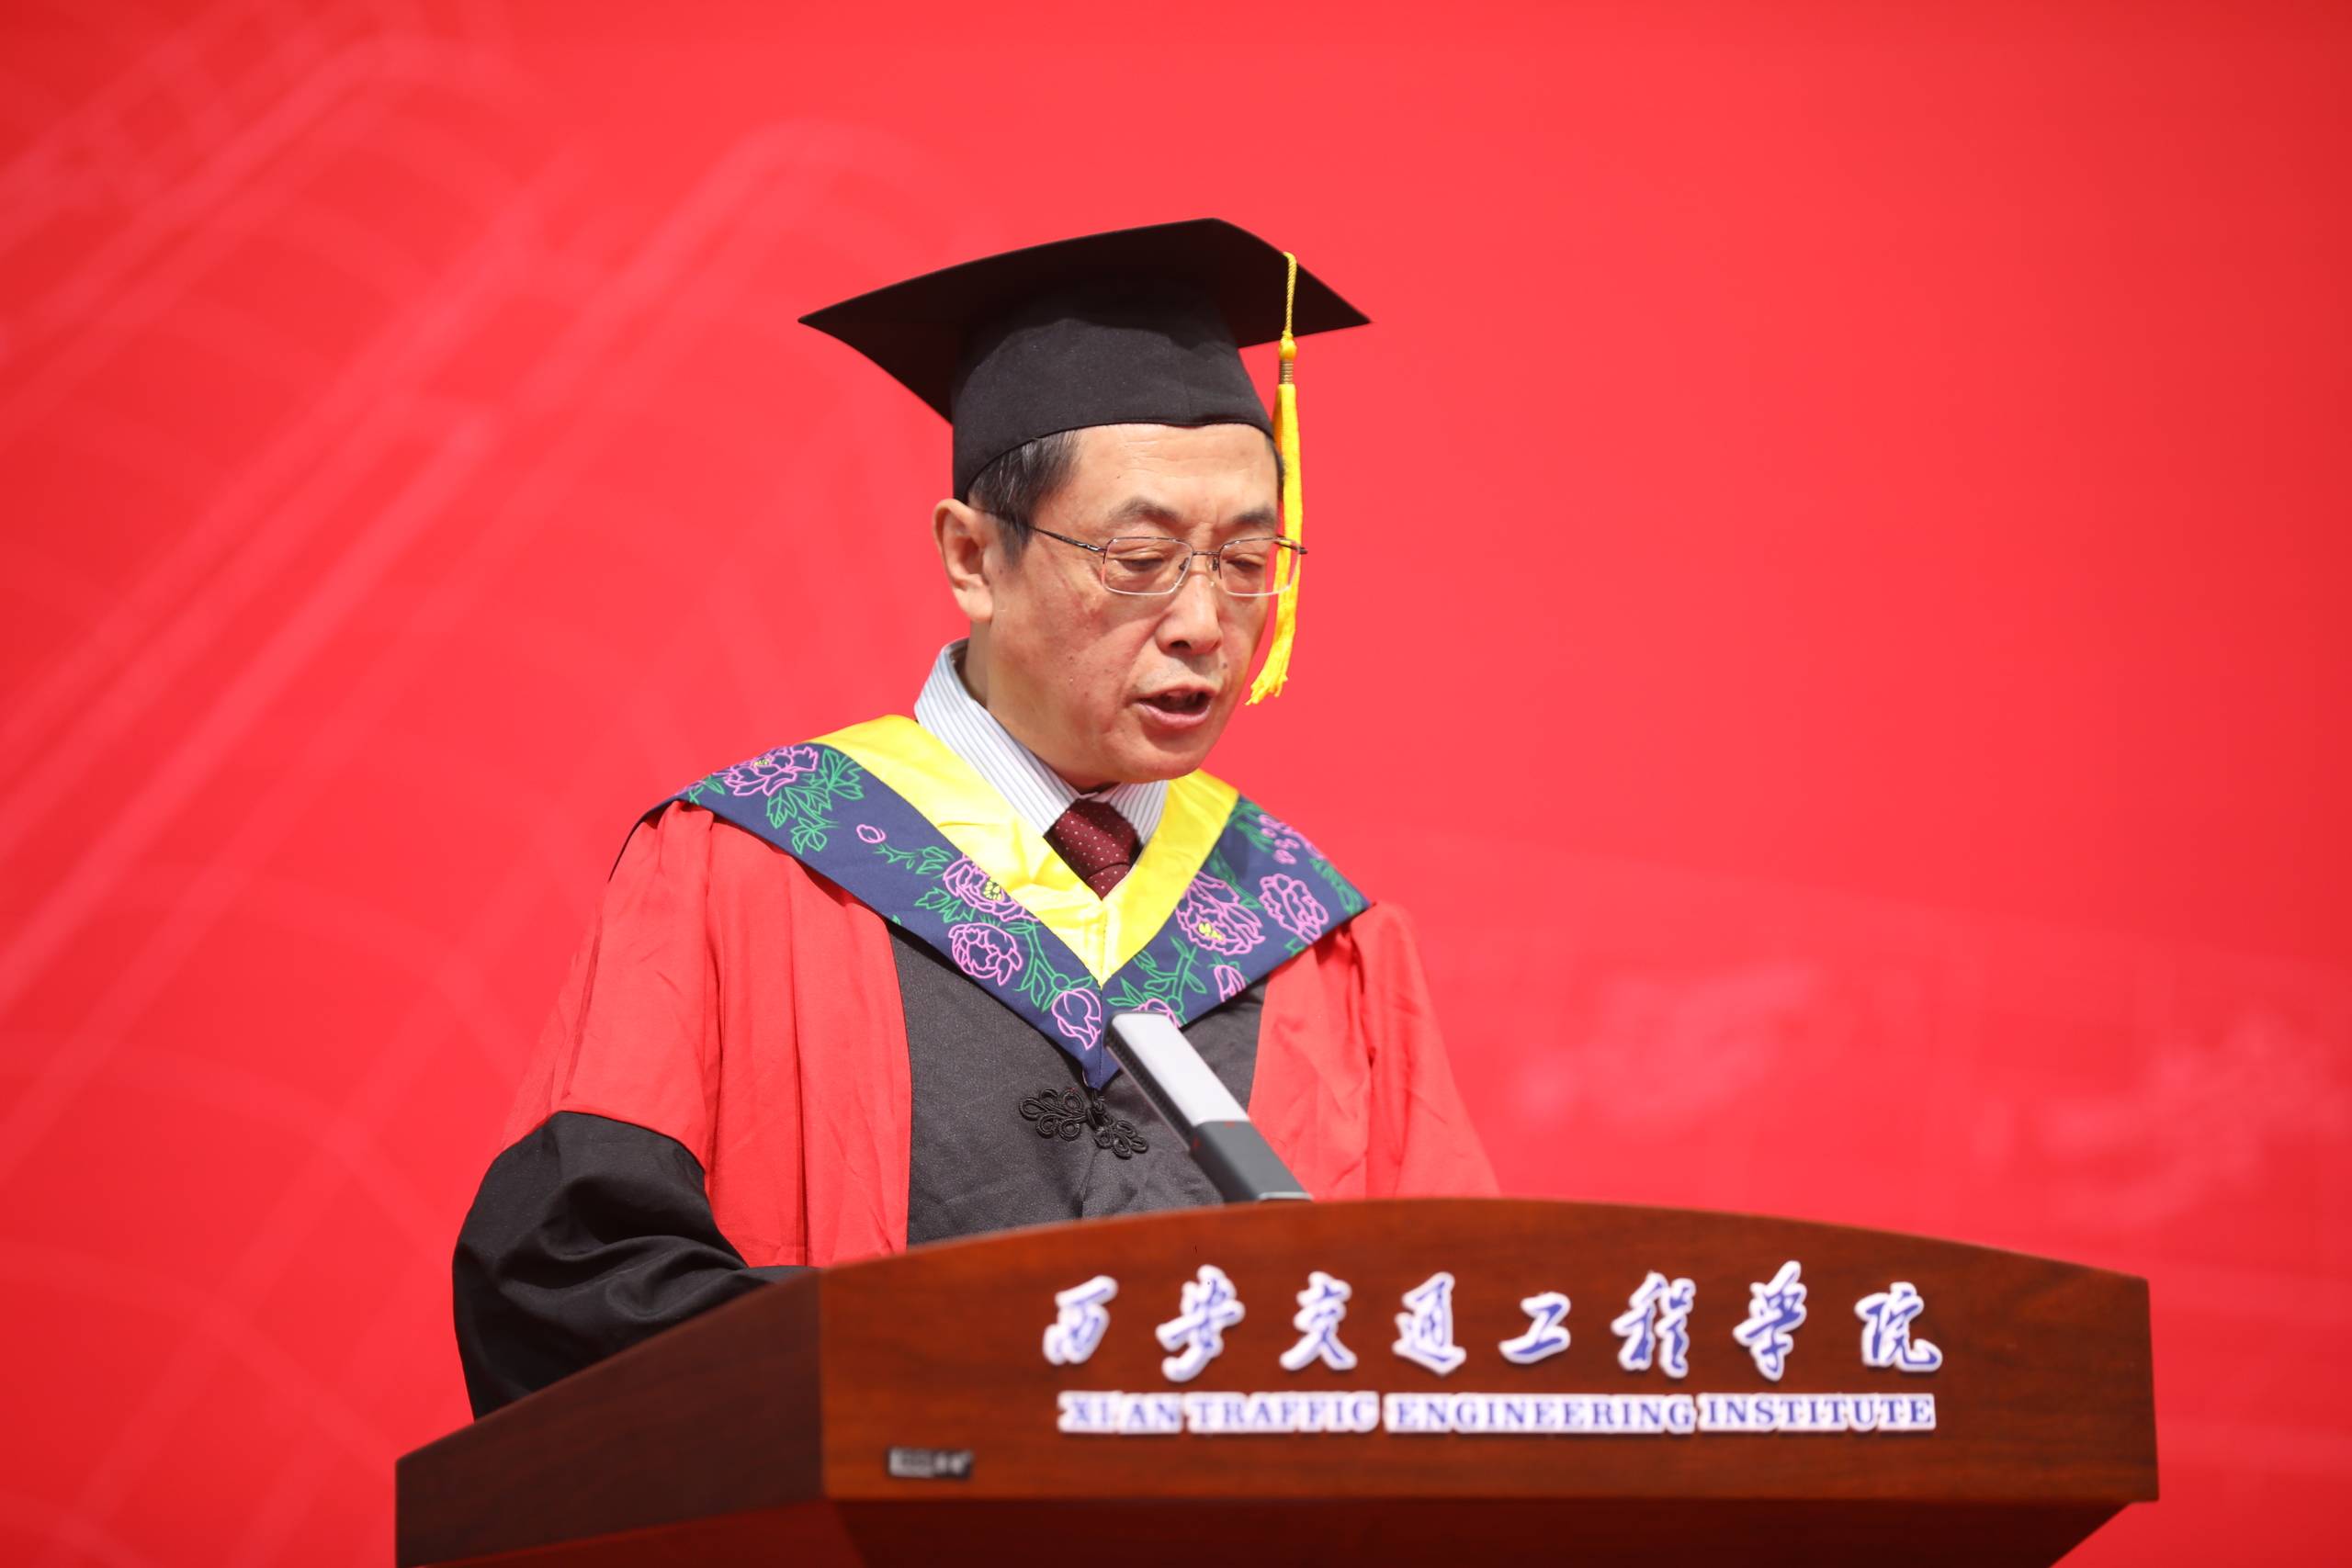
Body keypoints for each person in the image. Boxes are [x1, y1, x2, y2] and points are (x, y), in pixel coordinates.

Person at [451, 219, 1497, 1417]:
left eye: (1249, 561)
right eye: (1140, 557)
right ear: (972, 558)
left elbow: (1462, 1337)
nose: (1207, 624)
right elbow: (568, 1285)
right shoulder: (742, 867)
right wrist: (938, 1374)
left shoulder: (1320, 939)